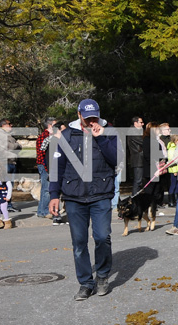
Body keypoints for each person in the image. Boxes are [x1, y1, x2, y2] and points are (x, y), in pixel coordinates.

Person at [49, 98, 118, 301]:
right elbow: (57, 168)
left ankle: (103, 276)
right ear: (79, 115)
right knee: (79, 242)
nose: (91, 121)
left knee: (102, 237)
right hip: (74, 196)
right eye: (87, 118)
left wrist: (101, 139)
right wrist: (54, 195)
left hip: (101, 193)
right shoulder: (66, 135)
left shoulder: (109, 132)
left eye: (94, 116)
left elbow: (116, 159)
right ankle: (86, 283)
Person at [0, 119, 21, 210]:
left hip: (11, 162)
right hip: (4, 163)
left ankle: (8, 204)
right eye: (9, 124)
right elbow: (12, 147)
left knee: (10, 185)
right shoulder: (0, 135)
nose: (11, 125)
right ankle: (3, 205)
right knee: (4, 185)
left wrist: (15, 145)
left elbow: (19, 147)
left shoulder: (8, 136)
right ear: (3, 125)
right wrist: (15, 144)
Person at [35, 117, 56, 219]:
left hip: (49, 165)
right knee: (46, 188)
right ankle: (43, 211)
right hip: (44, 165)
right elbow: (42, 153)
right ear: (50, 126)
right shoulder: (44, 136)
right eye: (55, 124)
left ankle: (42, 210)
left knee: (48, 188)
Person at [127, 116, 145, 195]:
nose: (142, 124)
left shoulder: (139, 131)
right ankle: (134, 200)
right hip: (138, 159)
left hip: (140, 158)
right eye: (141, 122)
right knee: (138, 181)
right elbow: (142, 141)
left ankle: (138, 200)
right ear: (135, 123)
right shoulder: (133, 132)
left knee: (141, 181)